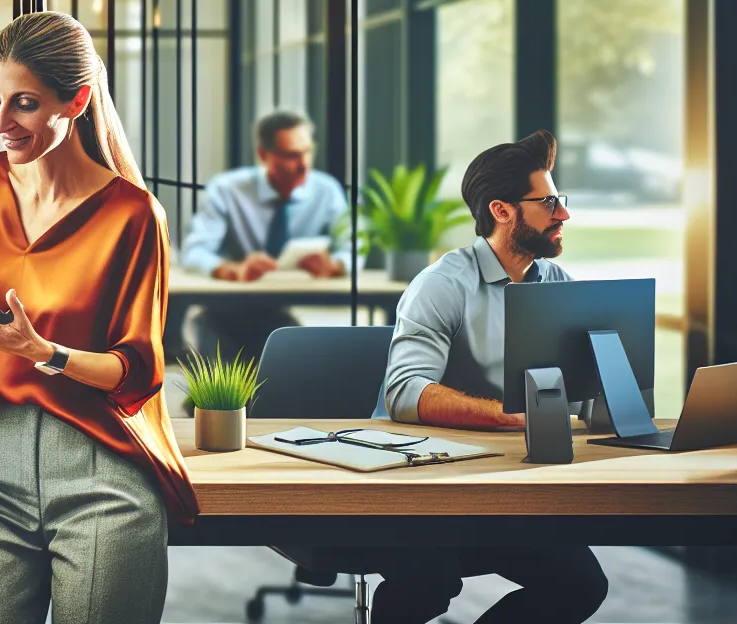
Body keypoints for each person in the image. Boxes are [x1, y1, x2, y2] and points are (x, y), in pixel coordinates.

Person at [0, 11, 197, 624]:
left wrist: (44, 352)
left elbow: (136, 370)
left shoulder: (133, 213)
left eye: (24, 103)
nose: (2, 121)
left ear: (78, 100)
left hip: (101, 471)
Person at [373, 130, 608, 624]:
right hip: (418, 488)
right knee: (428, 580)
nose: (563, 214)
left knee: (580, 584)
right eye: (548, 203)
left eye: (560, 200)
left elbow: (584, 396)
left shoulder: (558, 285)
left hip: (504, 486)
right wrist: (512, 416)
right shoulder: (441, 285)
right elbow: (404, 392)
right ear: (502, 211)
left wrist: (615, 401)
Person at [178, 109, 348, 358]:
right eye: (291, 155)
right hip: (232, 311)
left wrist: (336, 265)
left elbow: (355, 245)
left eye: (308, 152)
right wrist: (230, 269)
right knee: (220, 373)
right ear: (262, 155)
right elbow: (194, 251)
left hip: (299, 308)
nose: (304, 165)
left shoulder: (326, 191)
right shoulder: (227, 190)